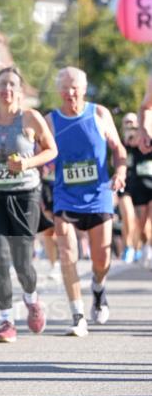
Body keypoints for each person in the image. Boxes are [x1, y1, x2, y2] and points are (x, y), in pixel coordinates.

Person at [0, 67, 57, 343]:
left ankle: (32, 298)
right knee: (0, 259)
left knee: (22, 262)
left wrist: (27, 163)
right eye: (2, 85)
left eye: (11, 85)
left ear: (19, 91)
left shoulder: (30, 118)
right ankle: (7, 320)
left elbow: (51, 150)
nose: (6, 90)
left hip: (25, 194)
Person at [46, 67, 127, 336]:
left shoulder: (99, 114)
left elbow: (118, 149)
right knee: (68, 254)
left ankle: (98, 287)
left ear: (84, 88)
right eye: (66, 88)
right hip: (65, 196)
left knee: (101, 257)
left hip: (99, 194)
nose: (70, 92)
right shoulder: (51, 120)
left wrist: (121, 171)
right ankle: (78, 315)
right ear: (59, 91)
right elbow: (40, 154)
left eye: (75, 87)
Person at [122, 112, 152, 266]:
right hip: (131, 186)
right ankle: (135, 247)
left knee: (148, 221)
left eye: (133, 123)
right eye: (127, 123)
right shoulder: (122, 143)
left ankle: (145, 248)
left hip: (149, 183)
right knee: (137, 221)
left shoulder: (147, 139)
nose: (130, 126)